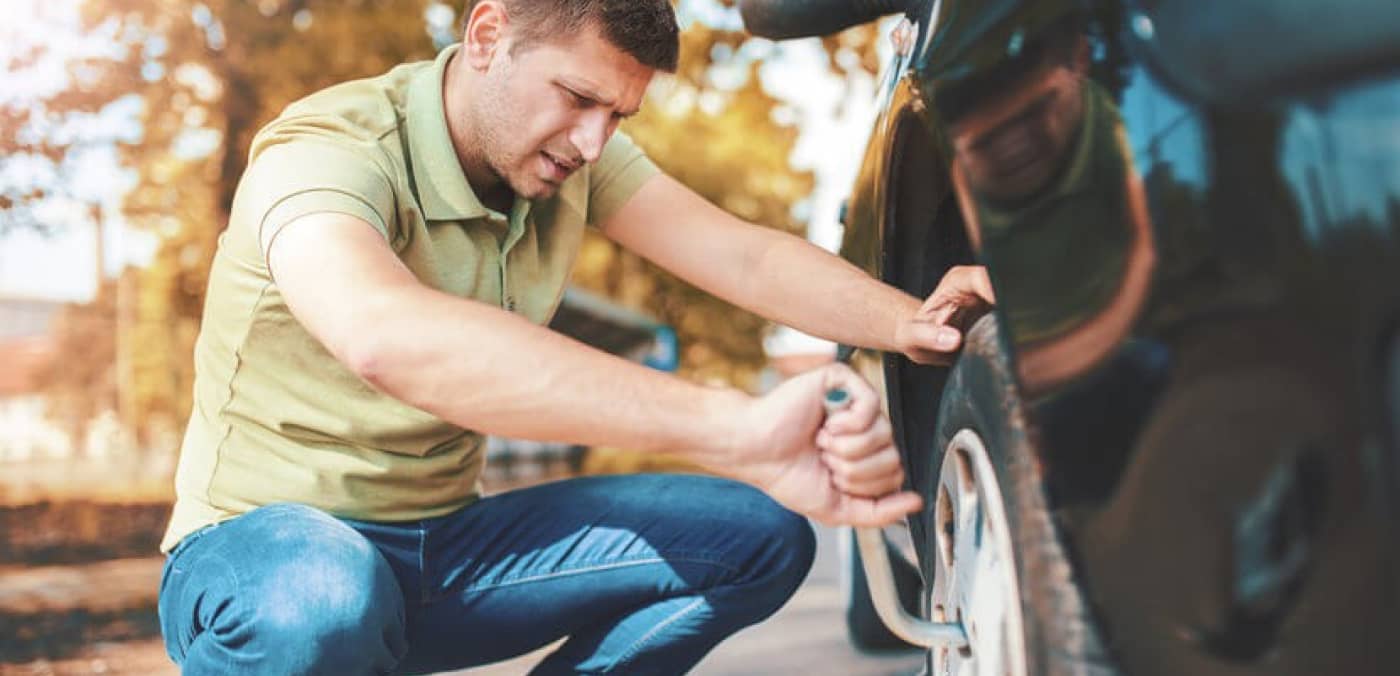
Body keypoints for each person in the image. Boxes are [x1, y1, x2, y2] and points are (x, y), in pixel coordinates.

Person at [156, 1, 995, 673]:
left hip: (441, 550)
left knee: (757, 541)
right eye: (580, 98)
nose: (593, 141)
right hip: (262, 554)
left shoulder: (571, 162)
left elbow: (742, 255)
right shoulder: (328, 150)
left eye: (619, 114)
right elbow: (386, 334)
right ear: (489, 35)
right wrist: (735, 427)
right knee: (326, 600)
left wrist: (906, 318)